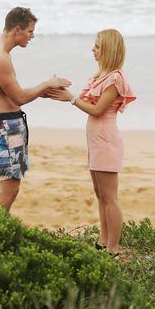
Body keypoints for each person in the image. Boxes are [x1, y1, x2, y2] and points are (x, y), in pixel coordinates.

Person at [47, 29, 135, 257]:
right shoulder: (99, 76)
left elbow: (97, 110)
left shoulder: (116, 78)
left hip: (106, 140)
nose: (93, 50)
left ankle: (113, 247)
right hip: (97, 141)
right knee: (100, 194)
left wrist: (71, 98)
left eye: (97, 46)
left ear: (107, 49)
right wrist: (63, 93)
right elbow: (85, 102)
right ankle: (103, 240)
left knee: (110, 197)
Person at [0, 6, 70, 212]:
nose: (32, 36)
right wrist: (47, 84)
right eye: (30, 31)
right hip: (5, 127)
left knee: (13, 186)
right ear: (17, 29)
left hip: (7, 124)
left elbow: (12, 95)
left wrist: (41, 91)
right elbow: (19, 97)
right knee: (9, 189)